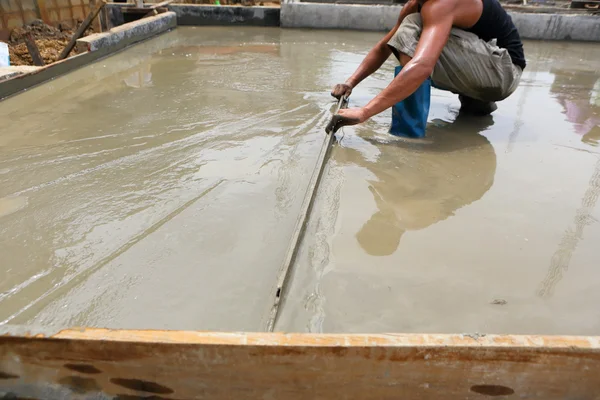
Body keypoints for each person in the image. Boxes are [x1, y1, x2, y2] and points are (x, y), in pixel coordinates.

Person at [329, 0, 526, 131]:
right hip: (488, 71)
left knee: (411, 30)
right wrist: (351, 82)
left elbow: (422, 65)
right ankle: (476, 103)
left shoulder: (441, 4)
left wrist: (366, 112)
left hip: (504, 71)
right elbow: (384, 47)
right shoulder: (417, 5)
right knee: (411, 28)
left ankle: (408, 130)